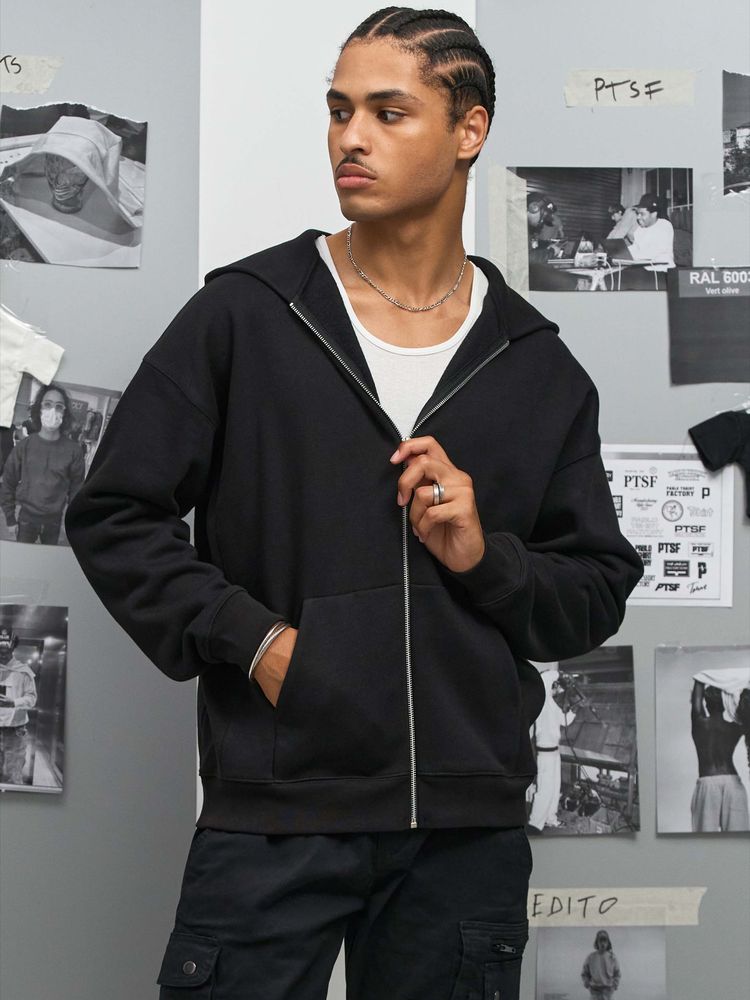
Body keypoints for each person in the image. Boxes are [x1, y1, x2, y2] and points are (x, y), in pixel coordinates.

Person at [65, 8, 643, 998]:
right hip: (276, 812)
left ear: (469, 130)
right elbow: (114, 512)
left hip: (462, 836)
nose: (350, 138)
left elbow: (592, 590)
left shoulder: (536, 367)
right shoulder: (246, 316)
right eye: (339, 111)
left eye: (388, 111)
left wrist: (484, 557)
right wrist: (256, 641)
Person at [0, 382, 85, 545]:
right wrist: (10, 519)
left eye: (59, 406)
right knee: (23, 559)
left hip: (54, 522)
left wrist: (74, 522)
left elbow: (76, 490)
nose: (53, 410)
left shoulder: (74, 451)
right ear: (39, 409)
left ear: (64, 412)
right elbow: (8, 482)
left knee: (47, 560)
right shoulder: (24, 446)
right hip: (26, 519)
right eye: (47, 404)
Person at [690, 680, 750, 832]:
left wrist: (700, 679)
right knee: (737, 838)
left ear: (706, 704)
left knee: (704, 839)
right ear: (724, 704)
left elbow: (696, 699)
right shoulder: (735, 728)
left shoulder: (699, 724)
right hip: (732, 784)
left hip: (707, 783)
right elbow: (746, 708)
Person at [527, 668, 577, 833]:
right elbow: (544, 679)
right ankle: (534, 825)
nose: (558, 690)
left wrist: (575, 708)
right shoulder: (542, 700)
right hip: (545, 754)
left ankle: (550, 819)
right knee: (544, 791)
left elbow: (564, 721)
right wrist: (561, 674)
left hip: (555, 753)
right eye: (556, 686)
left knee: (555, 789)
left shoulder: (552, 705)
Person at [0, 626, 37, 786]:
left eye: (6, 650)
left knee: (13, 776)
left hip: (15, 731)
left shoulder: (24, 672)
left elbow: (32, 699)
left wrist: (13, 703)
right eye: (0, 650)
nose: (2, 654)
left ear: (13, 648)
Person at [581, 930, 621, 998]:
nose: (602, 943)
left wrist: (614, 985)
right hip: (595, 992)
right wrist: (586, 983)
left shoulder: (612, 958)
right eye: (600, 941)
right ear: (597, 942)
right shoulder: (591, 957)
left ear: (608, 943)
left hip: (608, 992)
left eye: (605, 941)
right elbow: (585, 973)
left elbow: (617, 973)